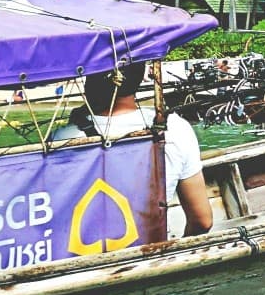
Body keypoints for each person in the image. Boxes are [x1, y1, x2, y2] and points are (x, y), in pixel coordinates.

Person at [73, 61, 214, 239]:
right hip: (154, 248)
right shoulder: (174, 127)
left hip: (82, 251)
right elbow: (202, 221)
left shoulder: (64, 136)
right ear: (140, 76)